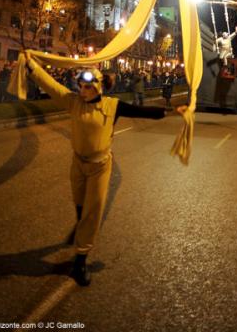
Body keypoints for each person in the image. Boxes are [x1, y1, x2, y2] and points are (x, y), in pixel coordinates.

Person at [24, 52, 185, 287]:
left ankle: (80, 260)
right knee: (80, 204)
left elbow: (141, 112)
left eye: (89, 86)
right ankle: (81, 231)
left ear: (99, 87)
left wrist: (172, 111)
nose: (84, 90)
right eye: (81, 85)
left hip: (100, 166)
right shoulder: (73, 102)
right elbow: (51, 86)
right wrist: (31, 66)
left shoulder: (113, 106)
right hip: (78, 164)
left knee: (92, 210)